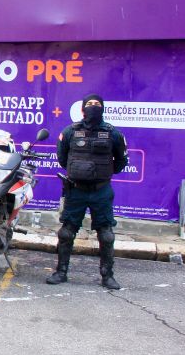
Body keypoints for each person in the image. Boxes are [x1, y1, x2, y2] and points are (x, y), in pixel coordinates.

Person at [48, 94, 128, 290]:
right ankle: (61, 272)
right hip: (76, 190)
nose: (93, 106)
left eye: (97, 104)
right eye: (89, 104)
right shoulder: (70, 132)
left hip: (101, 190)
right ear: (83, 109)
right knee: (66, 232)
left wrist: (102, 174)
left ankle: (107, 276)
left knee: (106, 234)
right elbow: (62, 157)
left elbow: (121, 161)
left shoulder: (113, 133)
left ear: (103, 108)